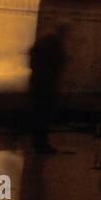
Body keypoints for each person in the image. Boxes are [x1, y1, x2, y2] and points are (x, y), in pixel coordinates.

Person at [28, 24, 68, 153]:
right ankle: (41, 143)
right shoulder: (54, 44)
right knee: (43, 115)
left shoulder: (44, 42)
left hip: (39, 83)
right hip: (46, 85)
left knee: (39, 114)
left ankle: (38, 142)